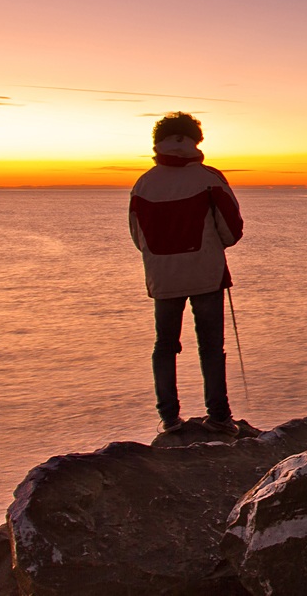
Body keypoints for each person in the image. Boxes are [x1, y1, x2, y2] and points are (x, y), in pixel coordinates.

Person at [129, 112, 244, 435]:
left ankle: (169, 420)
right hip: (206, 273)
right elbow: (232, 230)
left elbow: (138, 237)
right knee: (210, 346)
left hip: (163, 277)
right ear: (195, 140)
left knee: (165, 345)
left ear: (158, 142)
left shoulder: (144, 183)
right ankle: (219, 417)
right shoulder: (208, 178)